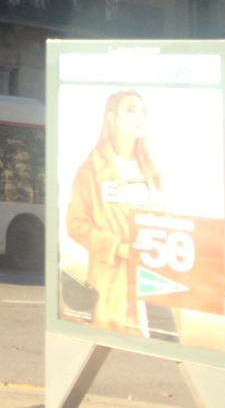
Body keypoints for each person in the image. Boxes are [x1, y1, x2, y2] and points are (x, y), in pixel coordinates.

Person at [64, 89, 162, 335]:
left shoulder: (152, 171)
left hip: (151, 279)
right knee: (115, 333)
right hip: (110, 283)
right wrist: (117, 247)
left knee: (155, 339)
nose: (140, 117)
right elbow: (76, 223)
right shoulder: (91, 170)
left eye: (143, 111)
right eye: (131, 110)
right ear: (112, 118)